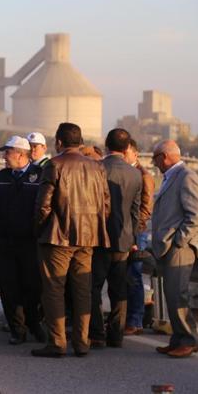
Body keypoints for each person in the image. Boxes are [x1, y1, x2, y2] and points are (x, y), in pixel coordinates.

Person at [31, 122, 110, 358]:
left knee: (54, 289)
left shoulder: (55, 164)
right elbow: (106, 205)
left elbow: (43, 204)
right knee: (82, 290)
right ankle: (82, 342)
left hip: (58, 237)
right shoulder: (97, 167)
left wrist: (38, 229)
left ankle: (57, 343)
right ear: (80, 141)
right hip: (87, 237)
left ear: (58, 142)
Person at [0, 136, 45, 345]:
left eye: (7, 152)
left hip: (30, 243)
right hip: (4, 244)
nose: (4, 156)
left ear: (20, 154)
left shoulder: (40, 177)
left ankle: (34, 324)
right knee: (9, 288)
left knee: (32, 286)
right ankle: (17, 329)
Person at [150, 140, 198, 358]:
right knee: (171, 295)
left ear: (164, 156)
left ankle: (190, 340)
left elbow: (196, 215)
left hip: (179, 247)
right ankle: (178, 339)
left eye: (155, 159)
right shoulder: (170, 176)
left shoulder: (186, 176)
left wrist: (180, 241)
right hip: (168, 246)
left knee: (177, 295)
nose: (154, 164)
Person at [89, 129, 142, 349]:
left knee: (93, 287)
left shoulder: (96, 169)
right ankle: (116, 335)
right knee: (119, 289)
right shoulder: (135, 174)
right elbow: (135, 212)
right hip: (123, 239)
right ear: (127, 147)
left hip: (98, 239)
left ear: (106, 145)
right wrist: (133, 238)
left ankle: (97, 333)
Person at [123, 139, 154, 335]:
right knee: (125, 276)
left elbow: (146, 208)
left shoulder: (143, 176)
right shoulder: (127, 172)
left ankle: (135, 320)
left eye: (125, 153)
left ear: (135, 153)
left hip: (136, 232)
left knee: (134, 276)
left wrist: (135, 230)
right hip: (125, 230)